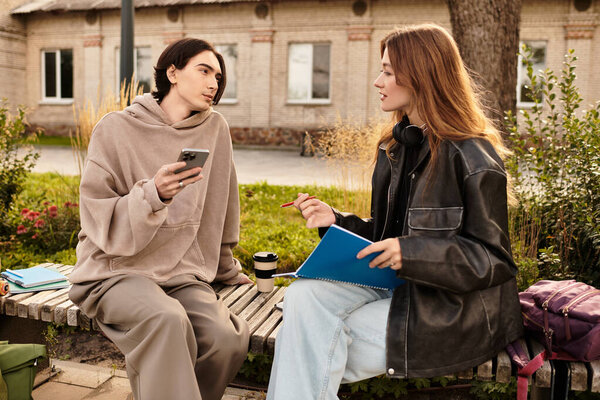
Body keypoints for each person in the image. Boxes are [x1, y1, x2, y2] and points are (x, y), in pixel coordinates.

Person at [266, 23, 524, 400]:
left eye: (387, 71)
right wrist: (336, 222)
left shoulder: (473, 156)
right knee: (303, 299)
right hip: (396, 289)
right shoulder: (396, 148)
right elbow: (387, 235)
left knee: (308, 343)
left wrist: (412, 253)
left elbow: (494, 259)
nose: (377, 81)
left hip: (450, 308)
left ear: (420, 75)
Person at [68, 38, 251, 400]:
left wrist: (227, 269)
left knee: (226, 338)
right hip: (114, 271)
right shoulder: (115, 128)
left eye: (218, 75)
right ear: (173, 73)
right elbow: (96, 212)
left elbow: (221, 207)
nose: (214, 83)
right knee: (167, 320)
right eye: (203, 71)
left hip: (180, 273)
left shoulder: (215, 129)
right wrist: (154, 194)